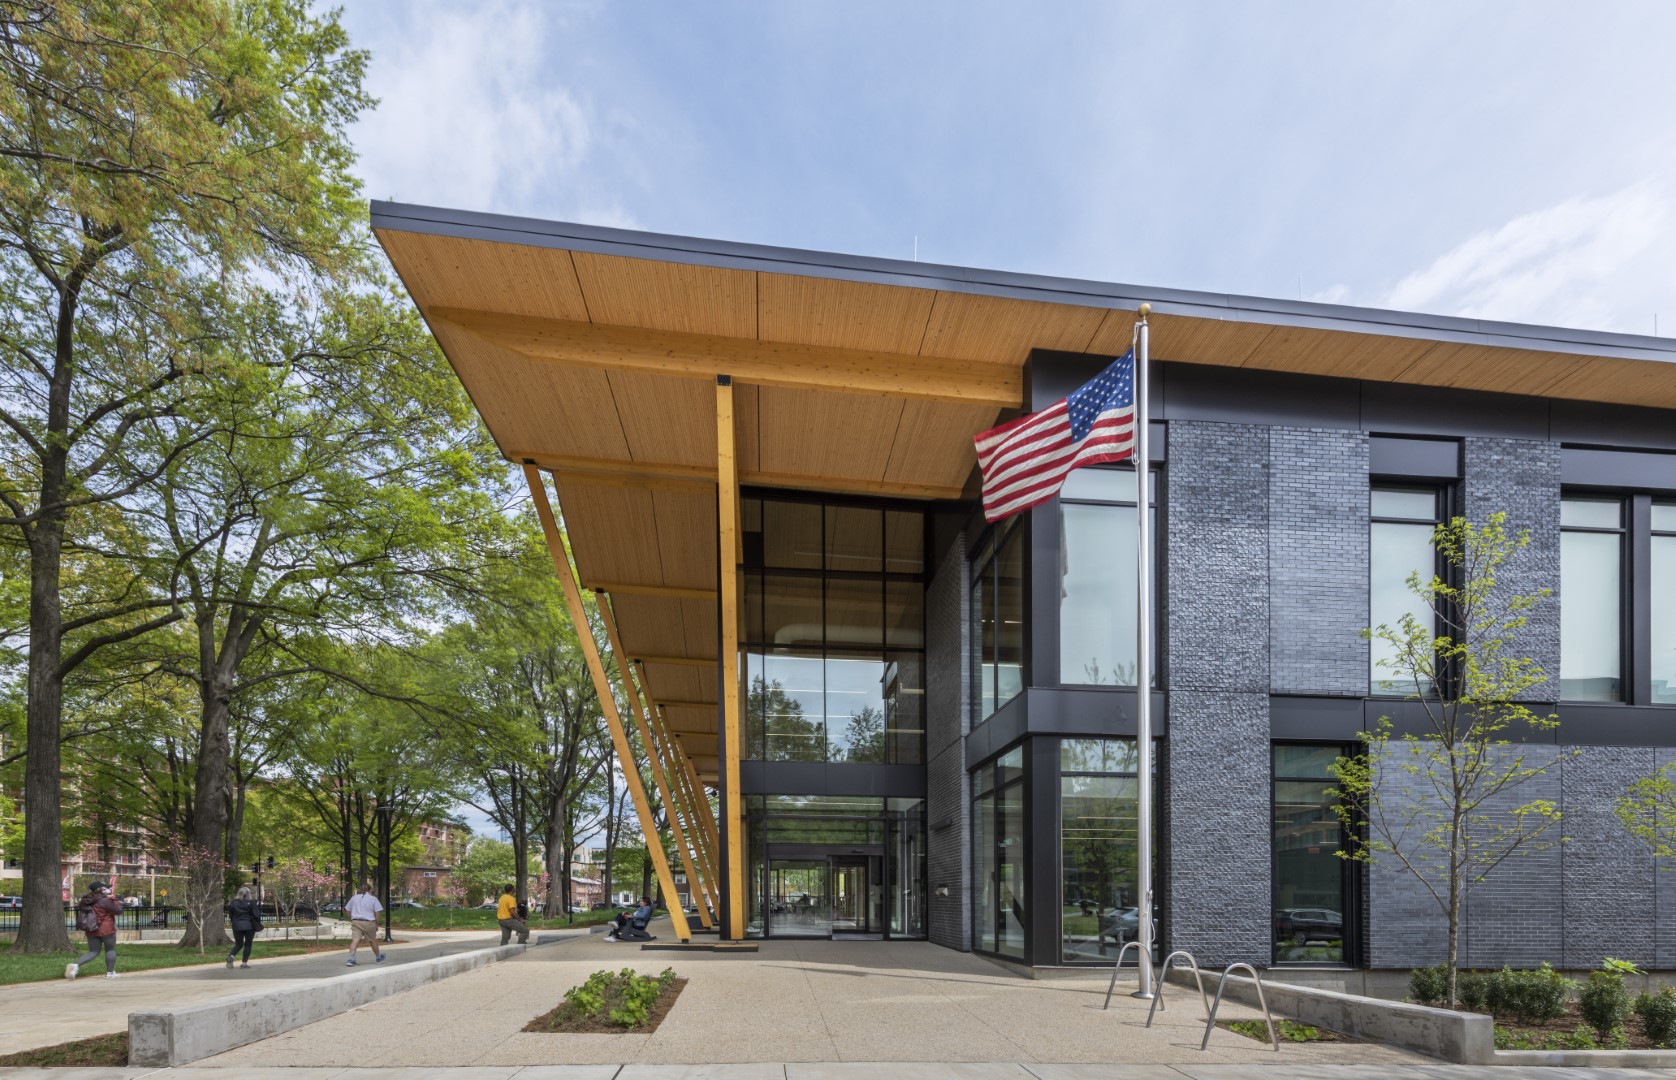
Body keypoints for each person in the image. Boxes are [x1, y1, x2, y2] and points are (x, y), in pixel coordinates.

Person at [65, 882, 124, 980]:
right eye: (106, 888)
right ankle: (110, 973)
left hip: (91, 929)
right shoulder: (105, 901)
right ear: (102, 890)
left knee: (93, 951)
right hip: (106, 930)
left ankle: (75, 966)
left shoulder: (85, 901)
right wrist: (113, 899)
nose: (109, 889)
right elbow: (119, 911)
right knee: (110, 950)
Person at [344, 882, 386, 966]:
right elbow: (377, 913)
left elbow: (347, 909)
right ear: (370, 890)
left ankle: (351, 959)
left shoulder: (354, 898)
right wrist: (377, 924)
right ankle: (378, 957)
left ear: (360, 889)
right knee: (372, 940)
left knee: (355, 940)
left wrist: (352, 916)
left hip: (356, 921)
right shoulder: (373, 899)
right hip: (369, 922)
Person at [225, 885, 263, 969]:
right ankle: (244, 963)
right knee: (248, 944)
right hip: (249, 926)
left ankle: (231, 956)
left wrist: (234, 921)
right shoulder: (252, 903)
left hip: (236, 926)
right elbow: (256, 915)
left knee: (238, 944)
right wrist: (258, 920)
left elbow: (231, 915)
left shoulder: (233, 903)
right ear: (249, 894)